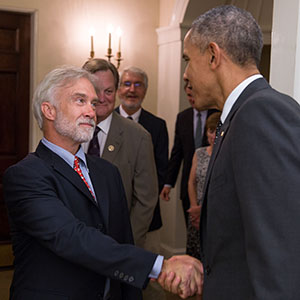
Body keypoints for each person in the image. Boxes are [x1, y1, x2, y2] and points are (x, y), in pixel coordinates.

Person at [3, 66, 203, 300]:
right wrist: (159, 266)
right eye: (80, 101)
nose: (91, 111)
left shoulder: (107, 172)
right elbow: (70, 237)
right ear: (49, 110)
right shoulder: (25, 175)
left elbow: (123, 240)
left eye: (93, 103)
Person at [162, 4, 300, 299]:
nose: (185, 74)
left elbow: (279, 249)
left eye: (188, 60)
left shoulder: (261, 112)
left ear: (213, 55)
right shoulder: (237, 117)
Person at [82, 59, 158, 249]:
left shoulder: (139, 137)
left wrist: (125, 245)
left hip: (118, 247)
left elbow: (145, 201)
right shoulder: (68, 130)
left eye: (108, 91)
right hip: (74, 244)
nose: (101, 98)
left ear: (116, 92)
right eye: (95, 90)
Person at [116, 66, 169, 300]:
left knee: (151, 284)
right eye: (127, 84)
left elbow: (159, 170)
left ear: (145, 90)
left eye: (138, 85)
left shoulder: (157, 126)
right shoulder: (101, 121)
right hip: (111, 222)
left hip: (147, 224)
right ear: (119, 89)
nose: (132, 90)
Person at [160, 78, 216, 225]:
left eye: (195, 95)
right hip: (188, 186)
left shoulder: (218, 115)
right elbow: (177, 153)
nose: (192, 99)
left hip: (211, 186)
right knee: (192, 232)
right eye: (189, 95)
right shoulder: (183, 117)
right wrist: (168, 183)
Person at [186, 112, 221, 262]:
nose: (213, 135)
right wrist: (194, 208)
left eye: (217, 131)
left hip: (214, 214)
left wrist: (203, 211)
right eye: (211, 131)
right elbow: (191, 182)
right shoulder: (199, 153)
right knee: (194, 256)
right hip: (196, 214)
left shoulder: (225, 154)